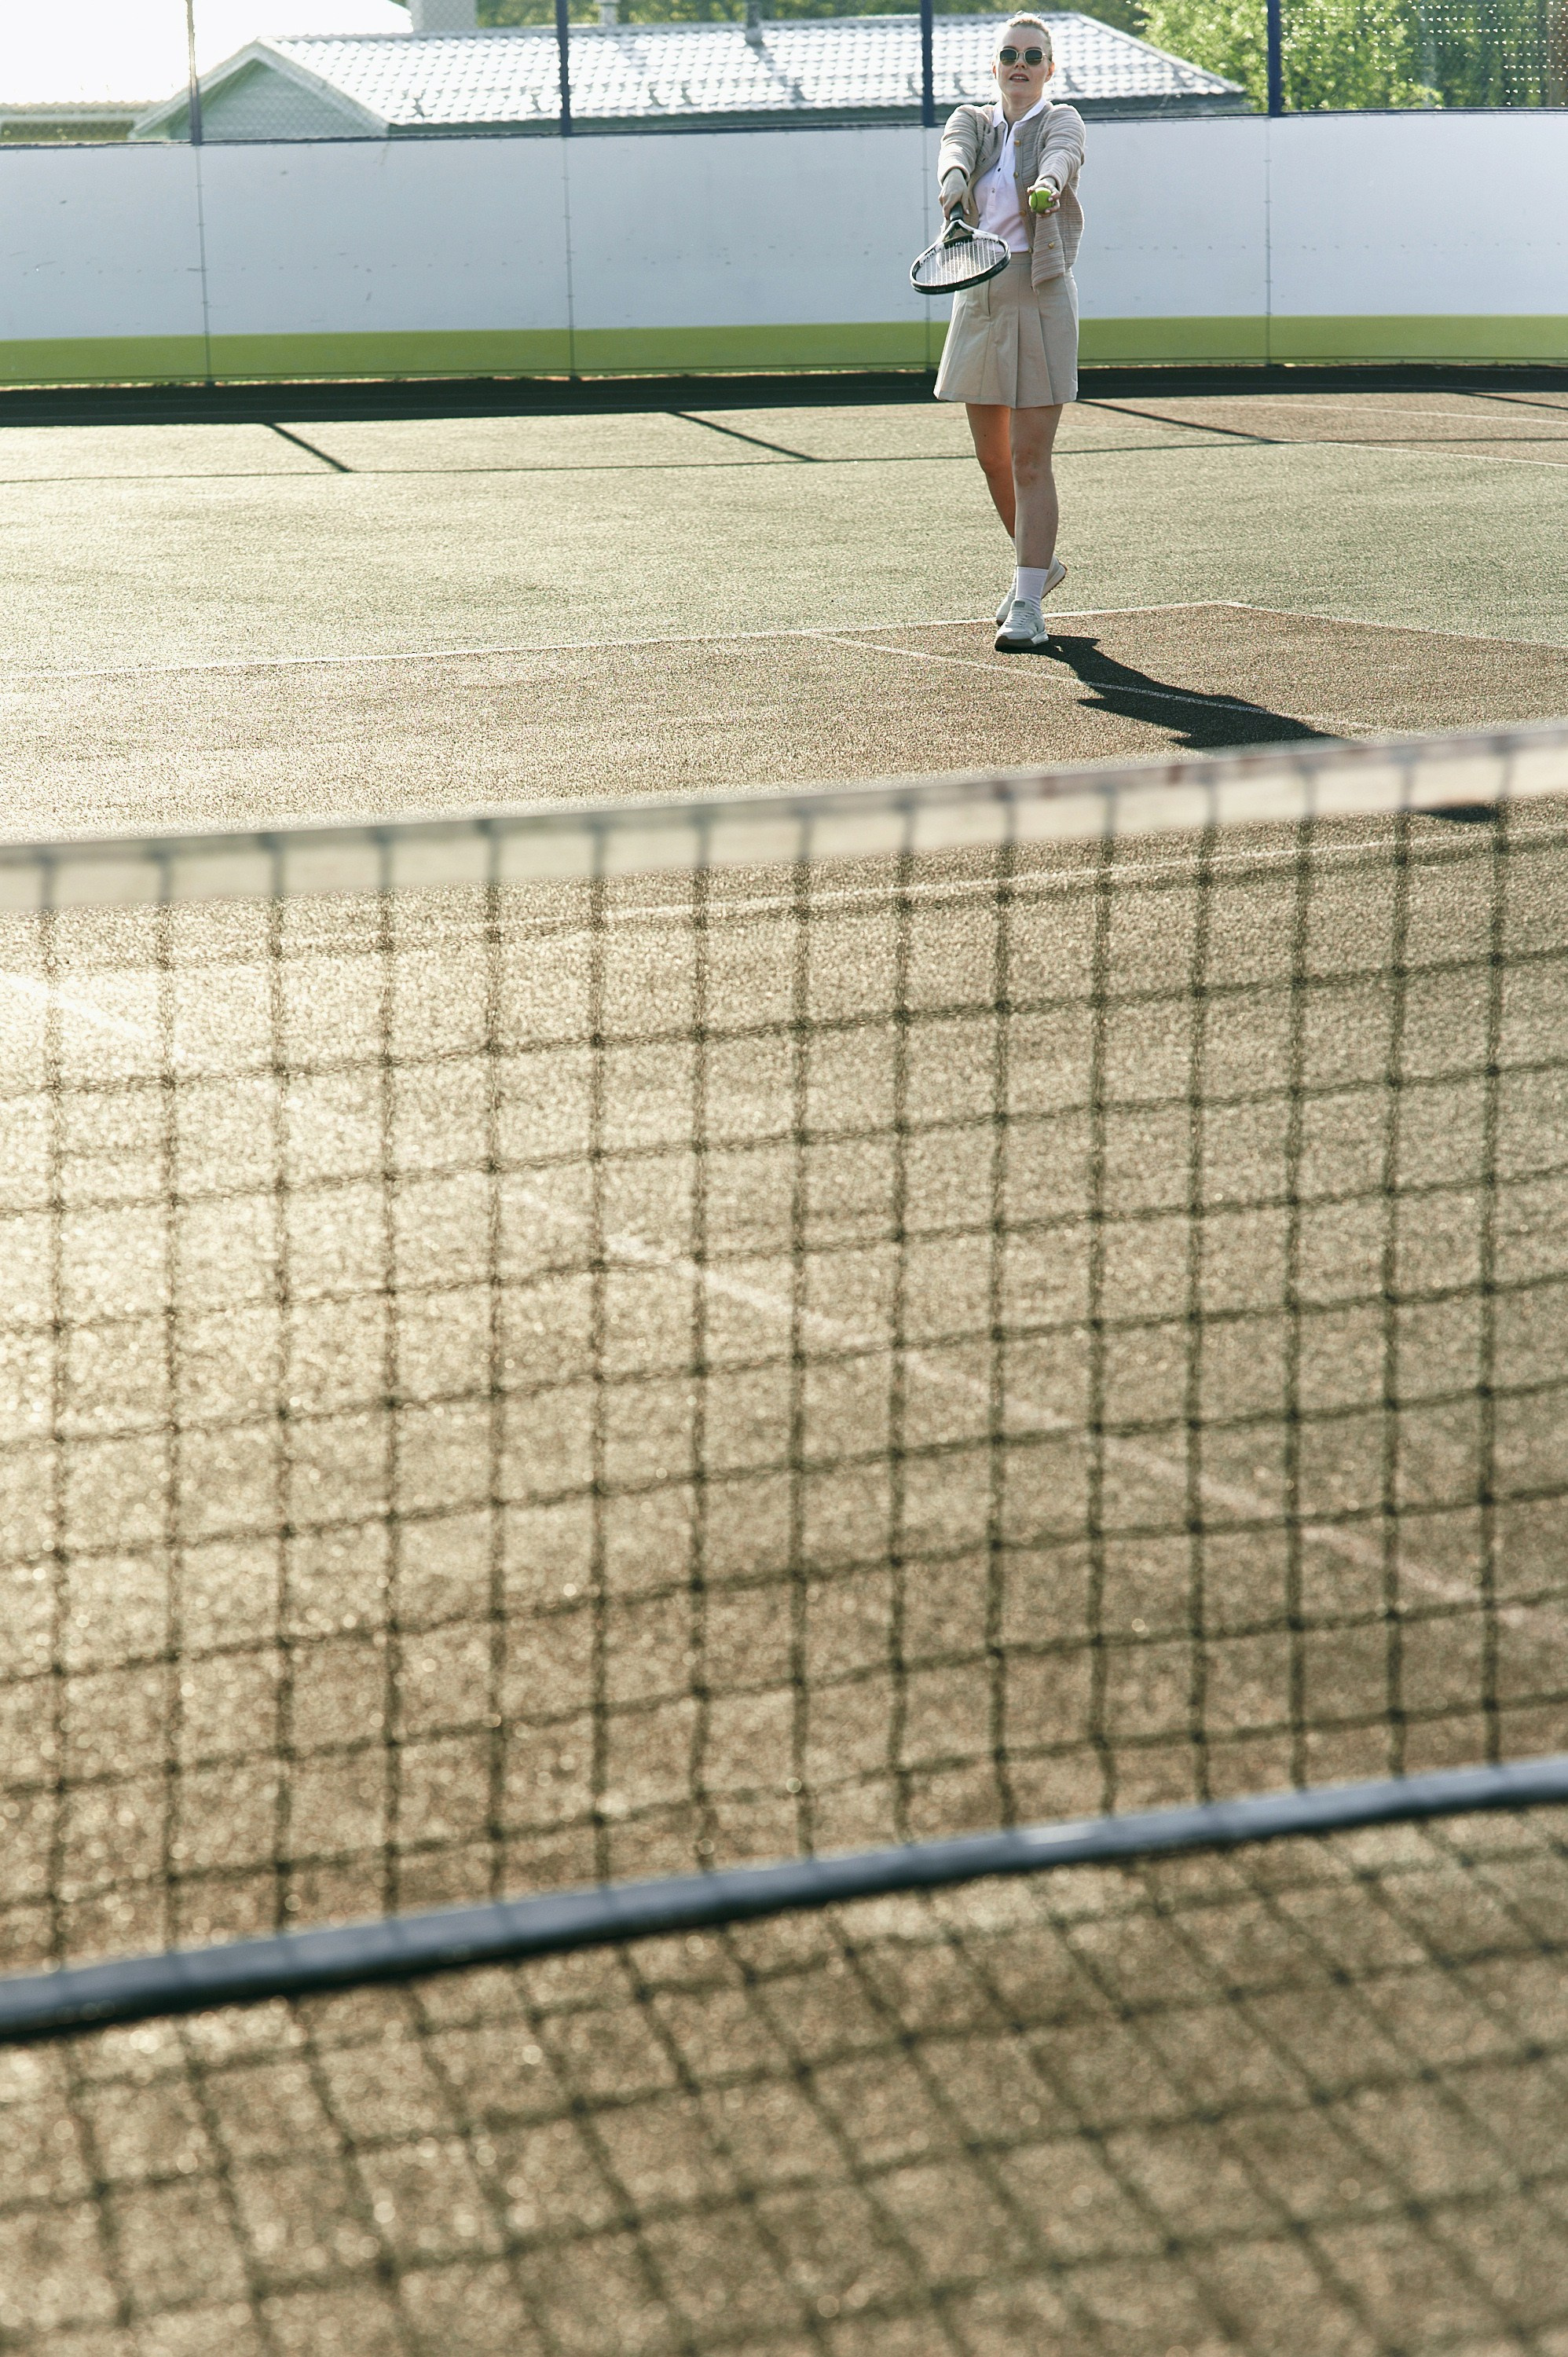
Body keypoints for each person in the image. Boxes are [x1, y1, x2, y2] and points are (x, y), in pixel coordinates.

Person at [934, 16, 1086, 653]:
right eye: (1009, 54)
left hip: (1039, 292)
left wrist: (1048, 185)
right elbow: (954, 152)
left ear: (1049, 68)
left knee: (1028, 458)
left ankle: (1028, 605)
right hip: (979, 292)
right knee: (993, 457)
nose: (1019, 64)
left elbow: (1061, 158)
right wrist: (952, 183)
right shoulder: (973, 120)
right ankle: (1041, 567)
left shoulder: (1061, 120)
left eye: (1032, 55)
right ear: (994, 66)